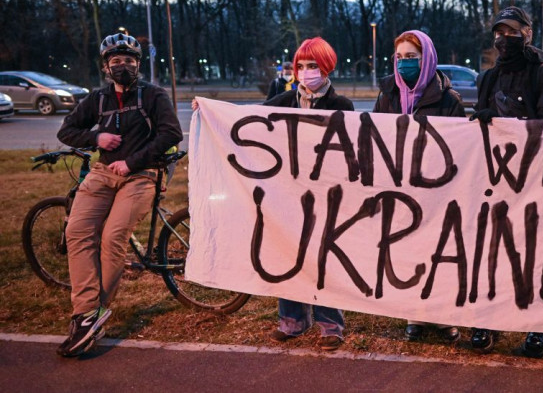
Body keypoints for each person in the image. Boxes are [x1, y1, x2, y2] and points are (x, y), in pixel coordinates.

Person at [194, 38, 352, 350]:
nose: (306, 72)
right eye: (301, 66)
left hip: (324, 195)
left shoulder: (342, 106)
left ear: (327, 67)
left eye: (313, 66)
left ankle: (329, 323)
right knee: (286, 253)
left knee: (321, 257)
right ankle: (292, 320)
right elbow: (248, 118)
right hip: (286, 195)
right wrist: (213, 110)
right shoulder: (284, 101)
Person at [56, 32, 183, 357]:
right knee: (77, 231)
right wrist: (96, 137)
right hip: (102, 173)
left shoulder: (153, 96)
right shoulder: (98, 99)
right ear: (106, 66)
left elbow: (172, 132)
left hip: (141, 175)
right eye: (116, 61)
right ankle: (85, 313)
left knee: (113, 237)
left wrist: (133, 161)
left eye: (128, 61)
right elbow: (66, 129)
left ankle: (95, 310)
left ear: (138, 64)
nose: (122, 66)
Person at [469, 6, 543, 358]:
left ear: (527, 33)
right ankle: (488, 319)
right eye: (498, 32)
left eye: (511, 30)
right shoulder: (489, 78)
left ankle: (538, 326)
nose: (503, 38)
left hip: (534, 177)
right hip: (495, 177)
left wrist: (508, 118)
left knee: (534, 254)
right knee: (492, 250)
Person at [372, 29, 465, 343]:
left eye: (411, 57)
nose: (404, 64)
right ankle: (415, 314)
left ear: (426, 58)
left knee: (440, 251)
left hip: (437, 190)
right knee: (408, 250)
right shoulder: (387, 95)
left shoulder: (449, 100)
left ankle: (444, 316)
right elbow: (375, 138)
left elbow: (460, 147)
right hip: (400, 188)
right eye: (399, 58)